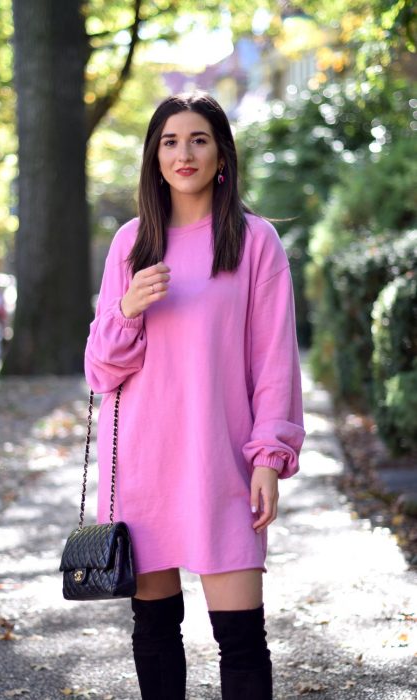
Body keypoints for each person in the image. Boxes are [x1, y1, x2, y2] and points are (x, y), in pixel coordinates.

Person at [84, 91, 305, 700]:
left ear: (221, 156)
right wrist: (126, 310)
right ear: (155, 159)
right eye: (170, 142)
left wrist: (268, 459)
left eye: (199, 140)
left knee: (241, 638)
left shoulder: (255, 242)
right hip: (143, 463)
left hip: (221, 461)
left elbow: (274, 364)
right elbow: (101, 371)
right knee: (154, 631)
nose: (184, 153)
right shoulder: (131, 244)